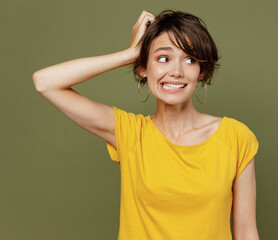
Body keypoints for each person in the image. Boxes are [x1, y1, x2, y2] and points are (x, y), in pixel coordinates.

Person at [33, 9, 260, 240]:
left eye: (190, 59)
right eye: (163, 58)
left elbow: (246, 233)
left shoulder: (236, 137)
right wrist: (129, 54)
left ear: (201, 72)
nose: (176, 72)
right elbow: (45, 82)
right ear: (143, 68)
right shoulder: (129, 132)